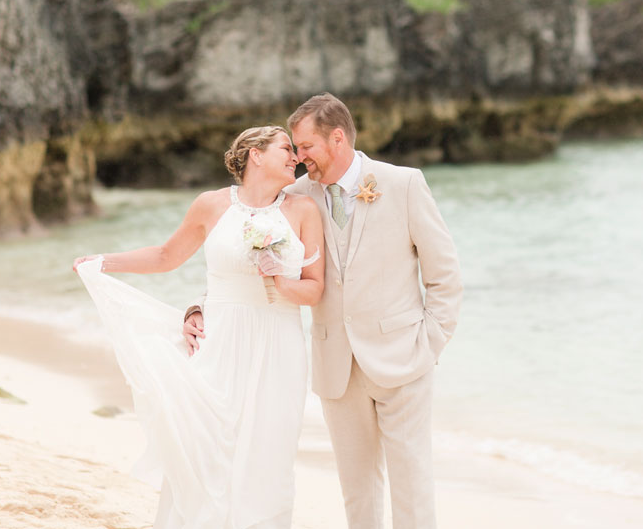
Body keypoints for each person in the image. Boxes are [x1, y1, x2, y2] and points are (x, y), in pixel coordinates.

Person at [184, 94, 464, 529]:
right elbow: (238, 256)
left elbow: (444, 275)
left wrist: (430, 343)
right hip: (336, 365)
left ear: (337, 138)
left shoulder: (404, 183)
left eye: (305, 147)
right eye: (293, 148)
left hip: (404, 357)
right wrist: (201, 307)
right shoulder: (295, 196)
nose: (298, 158)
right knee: (356, 490)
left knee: (412, 486)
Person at [74, 125, 324, 529]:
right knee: (209, 445)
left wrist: (280, 279)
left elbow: (315, 290)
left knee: (269, 455)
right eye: (285, 148)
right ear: (255, 155)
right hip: (220, 340)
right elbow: (165, 256)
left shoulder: (302, 211)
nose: (295, 156)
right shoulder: (211, 205)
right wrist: (102, 262)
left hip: (280, 345)